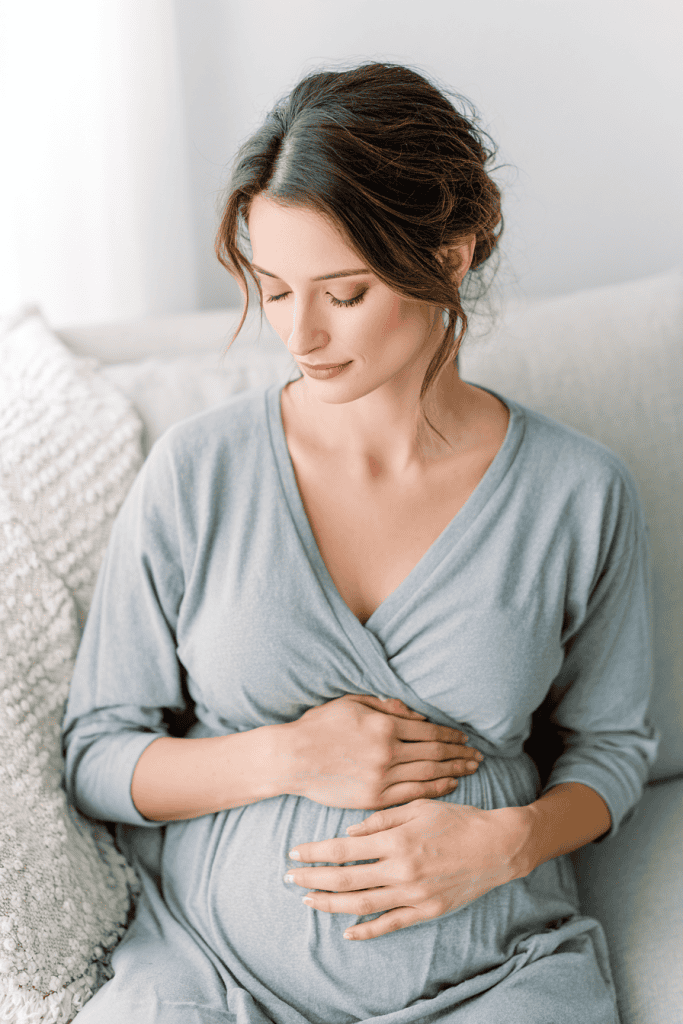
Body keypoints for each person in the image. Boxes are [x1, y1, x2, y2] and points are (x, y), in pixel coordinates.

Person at [62, 61, 658, 1023]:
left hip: (492, 979)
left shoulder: (577, 493)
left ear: (452, 256)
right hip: (213, 976)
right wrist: (285, 759)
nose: (299, 333)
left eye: (343, 293)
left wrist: (510, 843)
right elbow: (95, 755)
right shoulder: (197, 472)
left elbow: (614, 748)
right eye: (273, 287)